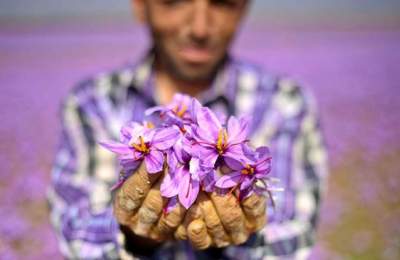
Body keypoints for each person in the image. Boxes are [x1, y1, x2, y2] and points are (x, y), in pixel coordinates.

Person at [48, 0, 329, 259]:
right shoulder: (92, 103)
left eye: (222, 2)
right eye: (175, 0)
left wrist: (248, 240)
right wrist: (132, 235)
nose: (200, 28)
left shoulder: (285, 104)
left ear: (243, 7)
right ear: (139, 5)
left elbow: (295, 234)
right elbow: (76, 231)